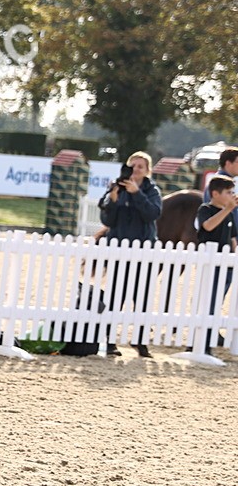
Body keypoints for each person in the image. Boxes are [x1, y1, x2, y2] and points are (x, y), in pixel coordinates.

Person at [99, 151, 163, 357]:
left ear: (147, 171)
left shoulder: (152, 191)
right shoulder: (117, 187)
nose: (136, 170)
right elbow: (107, 221)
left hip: (143, 251)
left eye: (140, 167)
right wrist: (114, 199)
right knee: (115, 296)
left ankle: (140, 341)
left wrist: (137, 193)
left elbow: (153, 214)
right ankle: (109, 341)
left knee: (141, 297)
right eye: (132, 166)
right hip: (118, 250)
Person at [194, 174, 238, 354]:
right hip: (210, 266)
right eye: (228, 192)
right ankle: (201, 342)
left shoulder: (229, 214)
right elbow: (208, 226)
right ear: (215, 193)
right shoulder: (206, 209)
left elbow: (233, 238)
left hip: (225, 266)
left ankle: (208, 340)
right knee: (208, 303)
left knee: (217, 302)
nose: (232, 195)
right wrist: (227, 210)